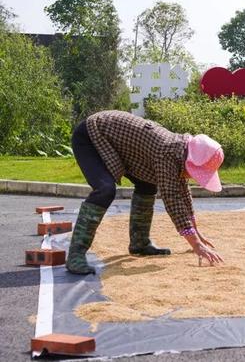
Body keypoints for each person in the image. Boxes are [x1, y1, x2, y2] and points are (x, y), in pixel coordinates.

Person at [67, 110, 224, 274]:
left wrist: (197, 233)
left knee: (147, 185)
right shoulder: (168, 153)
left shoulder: (181, 152)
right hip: (91, 137)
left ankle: (139, 243)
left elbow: (183, 193)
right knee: (105, 190)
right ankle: (75, 255)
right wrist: (196, 245)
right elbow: (173, 200)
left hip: (120, 147)